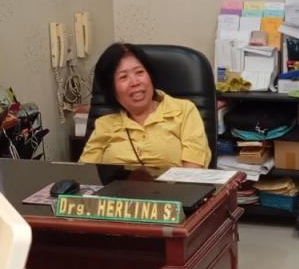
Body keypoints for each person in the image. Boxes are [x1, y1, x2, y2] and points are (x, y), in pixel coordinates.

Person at [80, 43, 211, 172]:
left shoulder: (184, 111)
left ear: (150, 76)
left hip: (175, 186)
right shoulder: (104, 125)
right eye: (123, 77)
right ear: (111, 89)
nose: (135, 82)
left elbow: (192, 173)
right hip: (116, 187)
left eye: (139, 72)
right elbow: (85, 175)